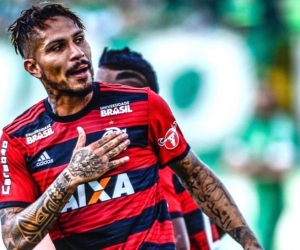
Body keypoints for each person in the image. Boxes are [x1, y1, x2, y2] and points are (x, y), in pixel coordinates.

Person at [0, 3, 263, 250]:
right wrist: (69, 179)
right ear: (33, 67)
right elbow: (14, 240)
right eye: (58, 47)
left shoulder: (143, 104)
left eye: (79, 40)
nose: (77, 53)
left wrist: (251, 244)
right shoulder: (17, 139)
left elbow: (196, 177)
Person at [96, 46, 224, 250]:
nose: (95, 106)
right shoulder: (171, 157)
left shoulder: (148, 164)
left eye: (108, 100)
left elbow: (176, 242)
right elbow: (218, 225)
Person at [222, 84, 298, 250]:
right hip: (247, 192)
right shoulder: (246, 126)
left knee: (270, 233)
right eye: (260, 95)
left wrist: (256, 166)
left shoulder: (281, 126)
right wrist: (258, 166)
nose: (262, 100)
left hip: (273, 192)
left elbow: (284, 163)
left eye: (266, 96)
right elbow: (231, 158)